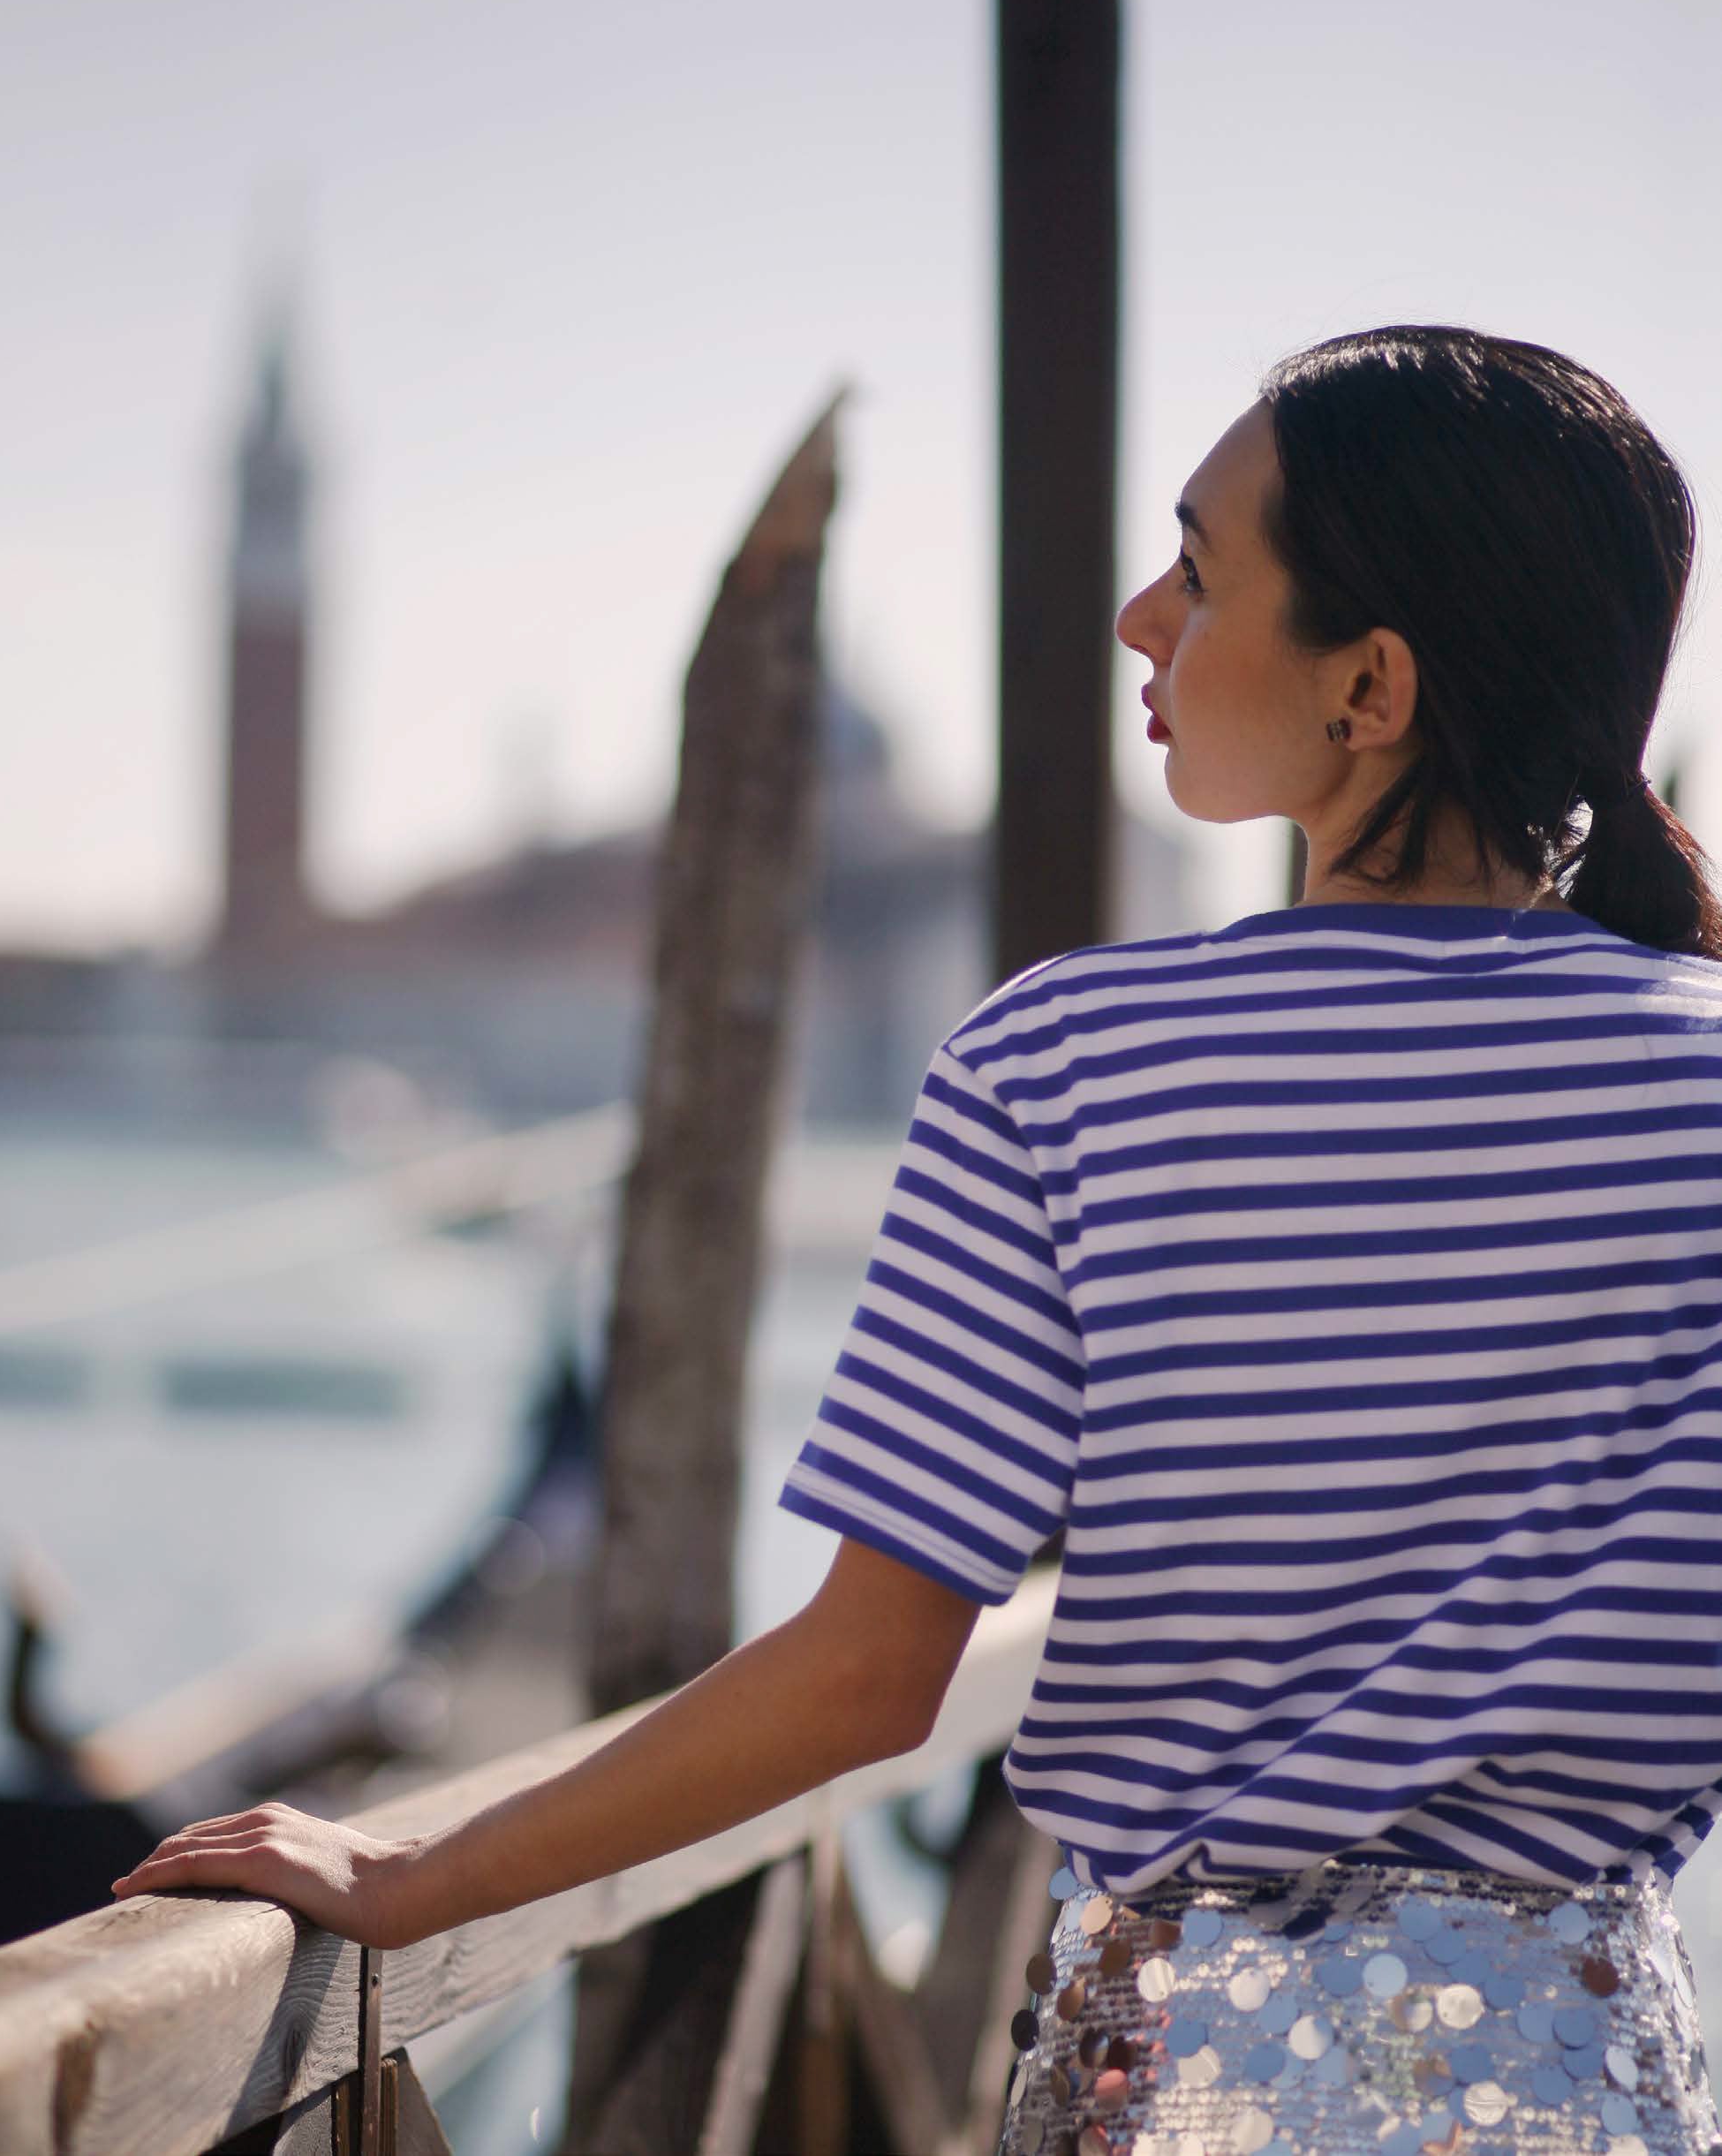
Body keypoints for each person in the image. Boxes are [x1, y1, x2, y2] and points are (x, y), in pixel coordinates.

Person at [114, 325, 1722, 2156]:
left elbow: (867, 1672)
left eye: (1197, 573)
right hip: (1585, 2096)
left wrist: (421, 1871)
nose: (1135, 617)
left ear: (1367, 687)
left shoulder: (1062, 1064)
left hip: (1182, 2087)